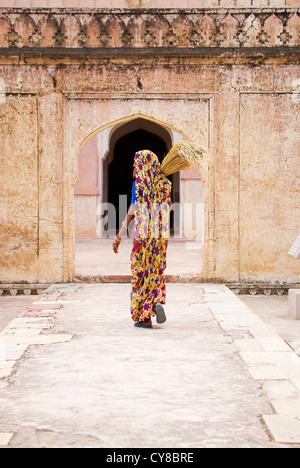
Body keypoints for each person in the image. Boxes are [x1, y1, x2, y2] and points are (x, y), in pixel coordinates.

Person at [112, 150, 172, 329]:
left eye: (135, 162)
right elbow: (168, 207)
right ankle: (156, 301)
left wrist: (118, 236)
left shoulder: (139, 185)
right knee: (155, 270)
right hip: (160, 239)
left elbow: (132, 210)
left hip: (143, 238)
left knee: (140, 272)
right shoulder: (165, 184)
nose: (133, 166)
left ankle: (145, 317)